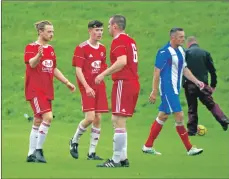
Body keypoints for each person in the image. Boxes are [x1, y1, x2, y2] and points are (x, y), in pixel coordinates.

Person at [142, 28, 204, 156]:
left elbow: (184, 69)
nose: (183, 39)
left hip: (175, 89)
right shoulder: (164, 52)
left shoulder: (181, 50)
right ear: (173, 38)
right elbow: (156, 72)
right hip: (167, 89)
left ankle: (147, 146)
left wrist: (197, 81)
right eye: (180, 37)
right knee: (179, 115)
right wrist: (154, 91)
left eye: (183, 36)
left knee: (163, 116)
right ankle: (190, 148)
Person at [24, 20, 76, 163]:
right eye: (49, 31)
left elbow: (53, 68)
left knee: (38, 120)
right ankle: (39, 151)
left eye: (52, 31)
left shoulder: (51, 49)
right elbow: (32, 64)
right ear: (40, 32)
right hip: (35, 89)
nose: (51, 34)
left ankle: (30, 154)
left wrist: (67, 82)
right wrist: (38, 56)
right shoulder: (31, 47)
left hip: (47, 90)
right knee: (48, 117)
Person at [95, 15, 140, 167]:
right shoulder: (130, 40)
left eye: (109, 25)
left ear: (115, 26)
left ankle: (115, 160)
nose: (107, 28)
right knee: (120, 121)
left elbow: (122, 62)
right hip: (132, 82)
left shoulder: (118, 40)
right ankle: (123, 158)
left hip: (123, 82)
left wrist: (103, 74)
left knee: (117, 120)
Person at [69, 20, 108, 160]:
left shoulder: (103, 48)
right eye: (97, 30)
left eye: (101, 30)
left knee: (98, 118)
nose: (100, 33)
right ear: (90, 31)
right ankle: (74, 141)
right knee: (90, 117)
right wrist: (86, 87)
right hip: (87, 86)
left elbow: (103, 66)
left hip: (99, 86)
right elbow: (78, 70)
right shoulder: (81, 48)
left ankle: (91, 152)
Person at [183, 36, 229, 136]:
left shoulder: (186, 53)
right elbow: (212, 71)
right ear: (196, 43)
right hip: (203, 85)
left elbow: (182, 69)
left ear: (188, 44)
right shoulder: (205, 53)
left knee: (192, 107)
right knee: (211, 104)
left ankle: (191, 130)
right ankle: (223, 119)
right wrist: (213, 85)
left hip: (189, 84)